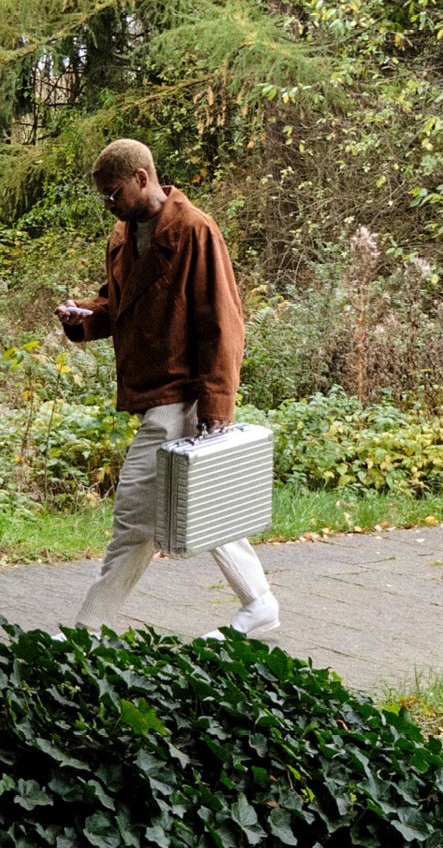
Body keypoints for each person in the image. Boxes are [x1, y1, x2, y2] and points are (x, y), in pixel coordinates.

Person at [55, 139, 279, 637]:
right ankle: (259, 602)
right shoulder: (122, 234)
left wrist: (216, 406)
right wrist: (83, 317)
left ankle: (87, 631)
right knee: (195, 503)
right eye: (103, 198)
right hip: (150, 392)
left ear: (141, 177)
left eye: (113, 193)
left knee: (134, 519)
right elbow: (119, 302)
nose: (108, 205)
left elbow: (224, 323)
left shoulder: (195, 230)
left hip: (180, 397)